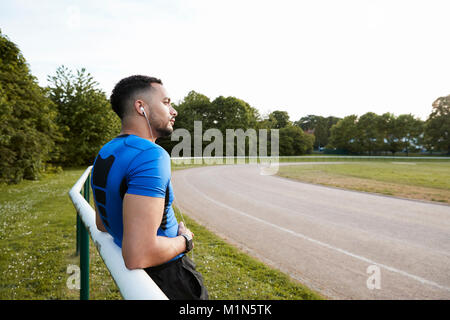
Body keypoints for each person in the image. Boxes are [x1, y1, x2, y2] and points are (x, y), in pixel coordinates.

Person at [90, 75, 208, 300]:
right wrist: (185, 240)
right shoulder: (150, 155)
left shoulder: (106, 151)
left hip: (148, 280)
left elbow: (102, 224)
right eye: (166, 102)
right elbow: (138, 255)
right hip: (169, 279)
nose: (173, 111)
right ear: (141, 107)